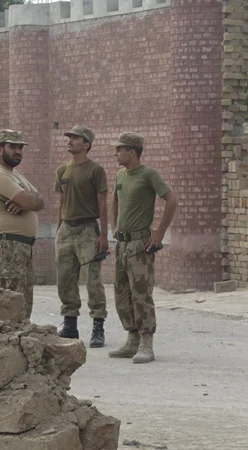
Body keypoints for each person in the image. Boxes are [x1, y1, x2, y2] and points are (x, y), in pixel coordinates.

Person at [108, 131, 178, 364]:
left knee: (141, 293)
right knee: (121, 293)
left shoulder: (148, 174)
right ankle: (132, 339)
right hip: (122, 243)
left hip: (140, 243)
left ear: (132, 152)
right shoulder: (120, 175)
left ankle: (146, 341)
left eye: (120, 149)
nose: (116, 153)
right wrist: (113, 226)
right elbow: (115, 200)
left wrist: (159, 233)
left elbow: (171, 199)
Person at [55, 125, 110, 347]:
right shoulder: (62, 170)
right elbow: (61, 203)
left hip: (88, 229)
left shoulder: (95, 170)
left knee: (93, 280)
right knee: (64, 278)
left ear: (86, 144)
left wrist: (104, 234)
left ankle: (98, 326)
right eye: (69, 138)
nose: (70, 141)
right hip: (67, 230)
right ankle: (70, 324)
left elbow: (103, 202)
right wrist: (59, 230)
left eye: (75, 138)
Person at [0, 129, 45, 320]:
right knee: (10, 306)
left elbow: (41, 201)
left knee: (23, 305)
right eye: (12, 147)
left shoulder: (14, 174)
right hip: (7, 248)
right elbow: (31, 201)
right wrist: (27, 202)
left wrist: (27, 203)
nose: (18, 151)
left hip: (21, 249)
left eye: (20, 147)